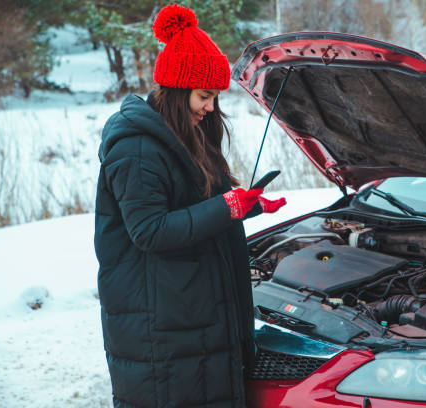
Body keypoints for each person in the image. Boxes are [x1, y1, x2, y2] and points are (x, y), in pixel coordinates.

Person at [93, 4, 286, 407]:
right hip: (159, 325)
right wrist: (227, 209)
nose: (211, 107)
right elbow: (150, 231)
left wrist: (247, 205)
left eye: (215, 96)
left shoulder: (187, 135)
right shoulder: (138, 150)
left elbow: (198, 209)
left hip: (187, 314)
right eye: (204, 96)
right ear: (178, 91)